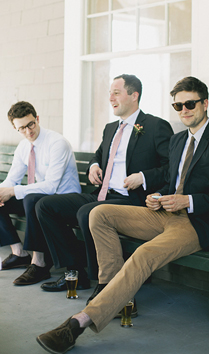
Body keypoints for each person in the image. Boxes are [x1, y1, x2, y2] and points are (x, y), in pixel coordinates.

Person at [36, 76, 209, 354]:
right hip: (165, 214)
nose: (184, 110)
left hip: (198, 223)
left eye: (190, 103)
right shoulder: (178, 140)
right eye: (178, 105)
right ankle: (113, 291)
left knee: (143, 255)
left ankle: (78, 323)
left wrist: (188, 201)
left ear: (205, 104)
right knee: (98, 214)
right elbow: (171, 182)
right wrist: (157, 196)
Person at [36, 74, 172, 293]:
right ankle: (75, 271)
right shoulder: (111, 128)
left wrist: (143, 177)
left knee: (87, 213)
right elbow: (98, 156)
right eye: (110, 93)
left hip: (131, 200)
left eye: (116, 93)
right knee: (45, 206)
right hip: (102, 193)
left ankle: (105, 282)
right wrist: (93, 166)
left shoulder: (156, 126)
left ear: (134, 95)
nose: (110, 98)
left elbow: (171, 168)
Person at [0, 101, 81, 286]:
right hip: (40, 197)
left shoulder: (57, 143)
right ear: (16, 128)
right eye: (22, 128)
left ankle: (39, 263)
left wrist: (13, 191)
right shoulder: (24, 147)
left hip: (65, 199)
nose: (28, 131)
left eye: (30, 124)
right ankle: (19, 253)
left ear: (37, 119)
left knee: (31, 199)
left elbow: (51, 187)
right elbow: (11, 179)